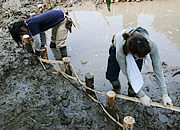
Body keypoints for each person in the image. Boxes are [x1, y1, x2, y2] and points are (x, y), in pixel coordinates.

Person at [106, 27, 173, 107]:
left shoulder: (151, 44)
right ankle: (116, 88)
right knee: (111, 75)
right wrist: (142, 95)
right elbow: (128, 74)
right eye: (142, 56)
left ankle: (132, 96)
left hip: (138, 52)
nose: (145, 57)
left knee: (134, 83)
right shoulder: (120, 51)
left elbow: (157, 67)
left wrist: (164, 94)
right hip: (118, 48)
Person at [9, 10, 73, 57]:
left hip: (63, 20)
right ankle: (55, 53)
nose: (24, 34)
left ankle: (64, 60)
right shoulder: (28, 23)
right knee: (53, 40)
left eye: (22, 33)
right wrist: (43, 45)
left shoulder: (32, 25)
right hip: (57, 19)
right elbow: (42, 33)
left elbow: (37, 41)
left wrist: (37, 51)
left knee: (60, 42)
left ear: (22, 28)